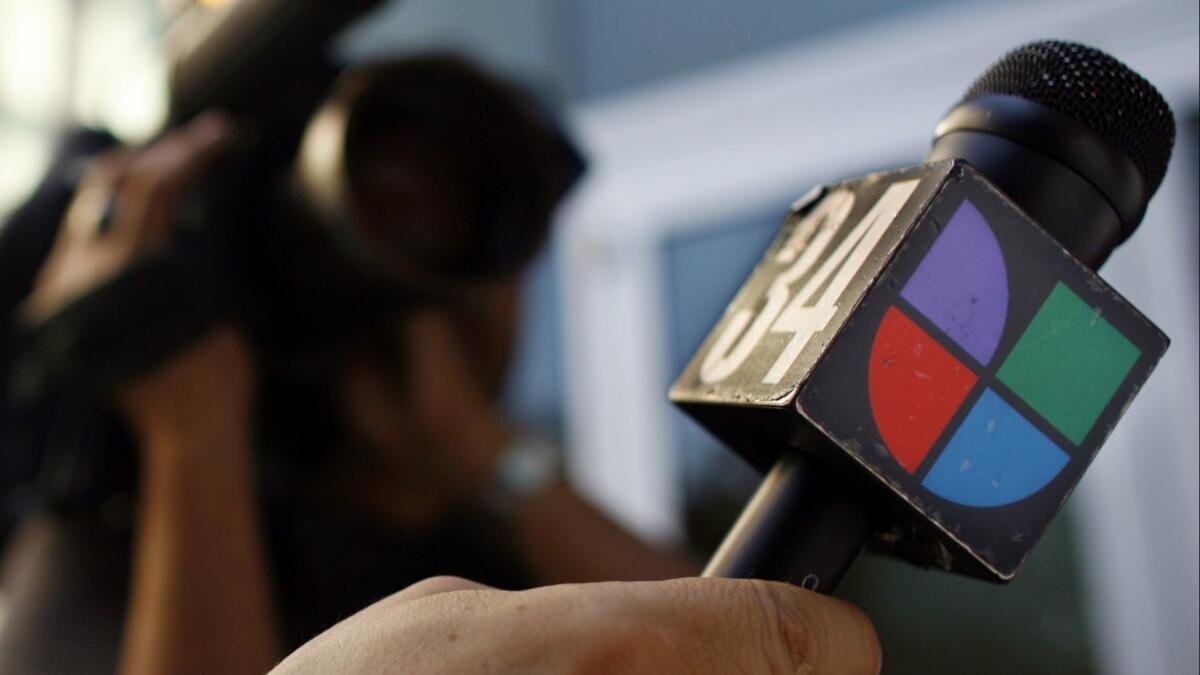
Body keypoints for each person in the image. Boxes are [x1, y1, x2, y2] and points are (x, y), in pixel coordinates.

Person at [0, 59, 881, 675]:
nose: (442, 304)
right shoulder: (103, 546)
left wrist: (484, 458)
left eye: (471, 260)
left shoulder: (496, 544)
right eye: (386, 213)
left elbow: (758, 642)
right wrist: (193, 433)